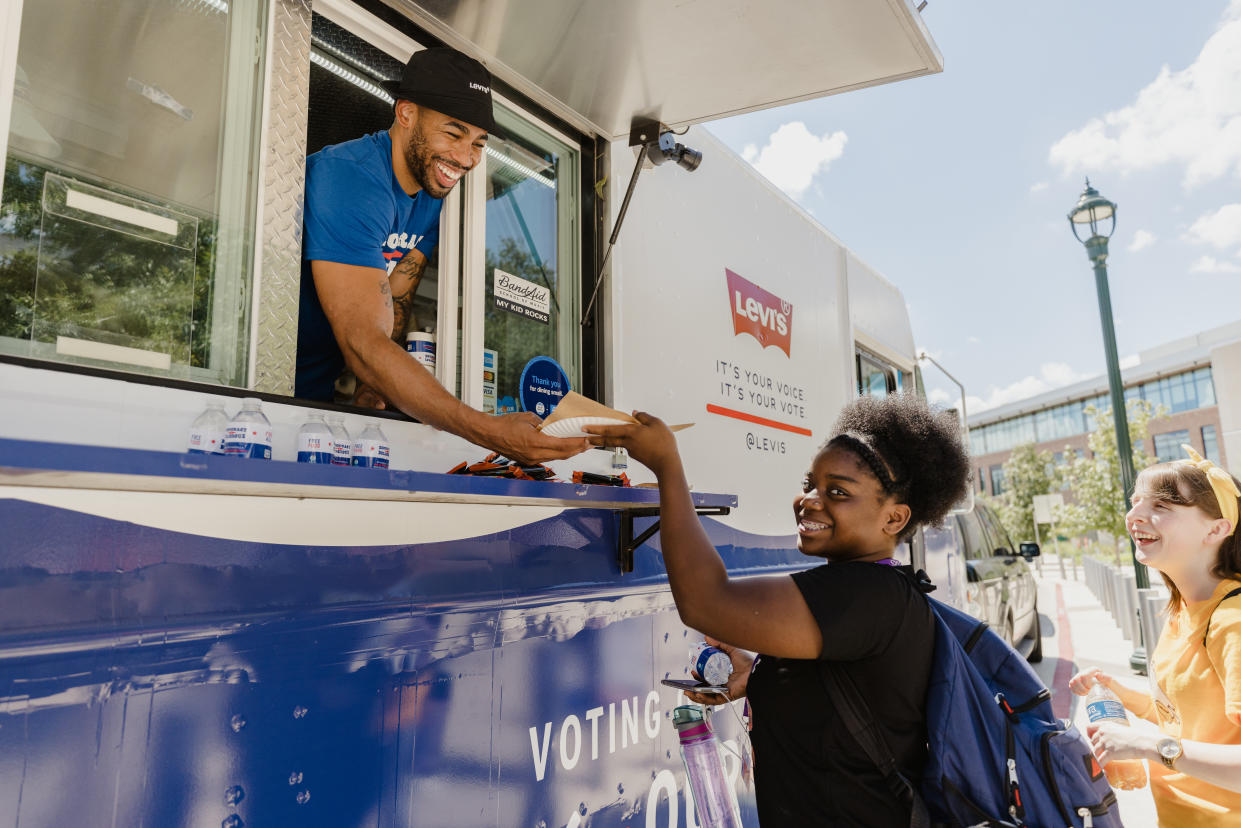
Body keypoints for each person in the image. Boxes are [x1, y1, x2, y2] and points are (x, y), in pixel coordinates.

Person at [586, 394, 971, 826]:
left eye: (838, 492)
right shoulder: (882, 591)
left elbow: (705, 602)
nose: (810, 500)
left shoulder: (862, 594)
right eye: (809, 484)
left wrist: (667, 467)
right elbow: (844, 697)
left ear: (894, 518)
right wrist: (758, 676)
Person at [296, 47, 586, 465]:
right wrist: (486, 430)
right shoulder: (352, 177)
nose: (466, 159)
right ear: (406, 113)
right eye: (453, 133)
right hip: (259, 390)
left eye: (478, 143)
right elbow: (363, 341)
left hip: (317, 403)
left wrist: (374, 386)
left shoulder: (430, 196)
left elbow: (395, 300)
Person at [1069, 446, 1241, 827]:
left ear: (1216, 529)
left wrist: (1146, 746)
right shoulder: (1185, 607)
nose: (1134, 516)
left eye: (1161, 506)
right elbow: (1189, 718)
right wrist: (1126, 697)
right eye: (1135, 502)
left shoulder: (1233, 621)